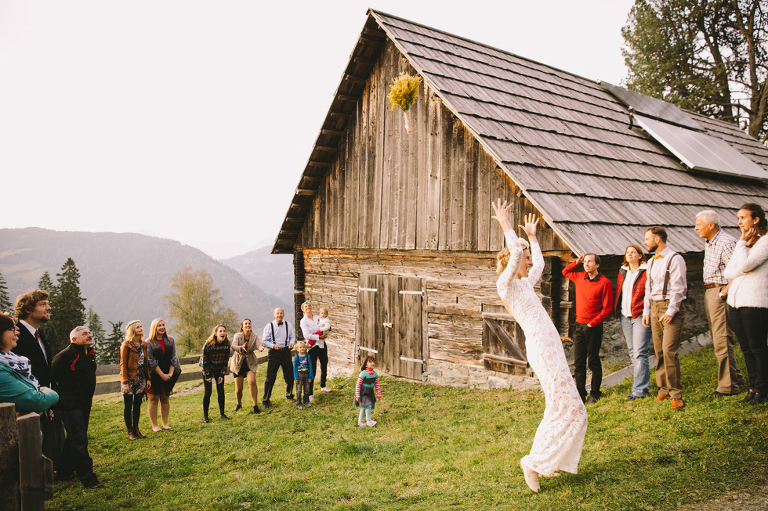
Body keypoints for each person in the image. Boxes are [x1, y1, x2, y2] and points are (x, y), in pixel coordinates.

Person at [492, 199, 587, 493]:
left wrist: (533, 238)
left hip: (551, 347)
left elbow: (541, 263)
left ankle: (545, 462)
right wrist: (505, 224)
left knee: (566, 407)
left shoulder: (524, 284)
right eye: (525, 260)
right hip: (541, 350)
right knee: (570, 408)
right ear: (512, 261)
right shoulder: (505, 285)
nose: (530, 262)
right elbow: (516, 253)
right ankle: (534, 463)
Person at [694, 210, 746, 397]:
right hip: (711, 291)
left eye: (698, 224)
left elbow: (739, 271)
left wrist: (724, 293)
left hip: (720, 291)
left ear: (711, 225)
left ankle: (728, 387)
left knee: (722, 339)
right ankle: (736, 377)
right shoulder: (710, 242)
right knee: (718, 338)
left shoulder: (726, 242)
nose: (696, 228)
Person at [724, 203, 768, 405]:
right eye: (738, 219)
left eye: (743, 218)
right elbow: (728, 272)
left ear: (756, 219)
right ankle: (752, 388)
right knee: (746, 348)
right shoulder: (749, 243)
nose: (739, 222)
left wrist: (741, 244)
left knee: (757, 348)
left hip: (755, 303)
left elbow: (745, 265)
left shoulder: (765, 242)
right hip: (736, 302)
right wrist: (743, 246)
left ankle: (762, 390)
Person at [51, 326, 102, 489]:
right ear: (74, 339)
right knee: (80, 440)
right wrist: (56, 400)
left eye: (89, 333)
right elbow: (51, 375)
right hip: (70, 404)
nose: (89, 335)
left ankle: (64, 473)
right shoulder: (66, 355)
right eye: (84, 334)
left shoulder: (90, 354)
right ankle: (88, 479)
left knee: (74, 437)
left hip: (85, 403)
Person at [642, 226, 687, 410]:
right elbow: (648, 288)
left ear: (657, 239)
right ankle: (664, 389)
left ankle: (676, 394)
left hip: (670, 306)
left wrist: (671, 310)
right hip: (654, 307)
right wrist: (646, 311)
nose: (645, 242)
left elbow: (679, 287)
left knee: (669, 351)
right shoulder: (651, 262)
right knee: (659, 350)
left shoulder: (675, 259)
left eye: (647, 239)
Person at [12, 290, 59, 460]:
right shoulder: (15, 336)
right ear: (27, 309)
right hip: (25, 408)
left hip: (42, 403)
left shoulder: (39, 334)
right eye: (43, 304)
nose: (49, 307)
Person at [562, 253, 614, 403]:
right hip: (579, 326)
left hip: (593, 327)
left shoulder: (604, 283)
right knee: (579, 362)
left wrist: (593, 323)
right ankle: (580, 393)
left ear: (597, 265)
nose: (586, 264)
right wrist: (576, 262)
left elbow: (608, 308)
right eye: (585, 262)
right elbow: (565, 271)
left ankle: (595, 393)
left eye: (590, 262)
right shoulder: (580, 277)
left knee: (593, 361)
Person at [0, 312, 59, 415]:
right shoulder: (2, 371)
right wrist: (49, 392)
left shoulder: (16, 363)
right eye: (10, 329)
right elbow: (37, 401)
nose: (17, 332)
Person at [615, 245, 652, 400]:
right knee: (632, 352)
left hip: (640, 315)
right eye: (627, 252)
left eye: (633, 252)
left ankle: (640, 391)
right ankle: (640, 386)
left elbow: (649, 293)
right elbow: (619, 292)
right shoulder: (623, 272)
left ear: (640, 255)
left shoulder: (646, 271)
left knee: (639, 352)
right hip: (625, 316)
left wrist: (647, 312)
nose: (629, 254)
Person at [146, 318, 181, 431]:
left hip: (168, 372)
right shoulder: (149, 343)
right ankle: (155, 425)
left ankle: (165, 423)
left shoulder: (170, 340)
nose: (162, 327)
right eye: (159, 326)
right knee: (154, 399)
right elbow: (151, 361)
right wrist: (162, 375)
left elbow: (174, 357)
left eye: (163, 325)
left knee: (165, 398)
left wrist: (170, 373)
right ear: (154, 328)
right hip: (154, 374)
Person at [119, 320, 150, 440]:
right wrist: (125, 382)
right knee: (128, 405)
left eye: (141, 326)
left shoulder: (143, 344)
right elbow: (123, 364)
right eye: (137, 327)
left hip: (141, 378)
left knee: (138, 404)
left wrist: (148, 378)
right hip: (130, 378)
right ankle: (130, 431)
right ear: (132, 330)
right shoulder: (126, 345)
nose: (140, 328)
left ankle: (137, 429)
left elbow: (146, 362)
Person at [261, 308, 295, 408]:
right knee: (270, 377)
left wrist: (291, 343)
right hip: (274, 353)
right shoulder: (269, 326)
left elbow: (292, 337)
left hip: (286, 351)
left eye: (281, 313)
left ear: (283, 314)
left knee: (289, 375)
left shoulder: (288, 325)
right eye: (277, 313)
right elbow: (264, 341)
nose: (279, 315)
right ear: (274, 315)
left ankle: (289, 395)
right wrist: (273, 346)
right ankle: (265, 401)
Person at [299, 302, 330, 402]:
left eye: (309, 306)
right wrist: (318, 337)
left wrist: (327, 329)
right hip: (312, 347)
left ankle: (323, 385)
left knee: (324, 365)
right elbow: (306, 335)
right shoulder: (303, 321)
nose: (308, 307)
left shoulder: (318, 317)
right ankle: (310, 393)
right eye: (306, 307)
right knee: (312, 369)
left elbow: (325, 325)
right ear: (303, 310)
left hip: (322, 344)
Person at [201, 324, 231, 422]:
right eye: (220, 331)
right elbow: (204, 361)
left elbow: (226, 361)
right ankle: (205, 416)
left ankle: (222, 414)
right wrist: (207, 375)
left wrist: (222, 374)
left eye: (224, 331)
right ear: (216, 333)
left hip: (219, 368)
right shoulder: (209, 344)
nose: (223, 333)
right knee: (208, 391)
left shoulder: (227, 344)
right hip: (208, 368)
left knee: (220, 390)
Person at [230, 318, 261, 414]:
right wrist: (241, 347)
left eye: (249, 323)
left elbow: (258, 344)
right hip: (238, 362)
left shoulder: (254, 336)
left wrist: (260, 347)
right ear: (242, 327)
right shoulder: (237, 336)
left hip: (250, 362)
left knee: (252, 381)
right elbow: (233, 346)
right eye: (246, 324)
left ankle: (255, 406)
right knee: (239, 388)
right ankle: (239, 404)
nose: (248, 325)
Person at [354, 356, 381, 427]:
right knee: (368, 405)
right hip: (362, 393)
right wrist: (357, 395)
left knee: (364, 407)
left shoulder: (375, 374)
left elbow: (377, 384)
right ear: (366, 365)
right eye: (370, 362)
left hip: (370, 392)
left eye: (373, 361)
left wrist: (379, 394)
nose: (373, 363)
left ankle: (360, 421)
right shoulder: (363, 374)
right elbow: (358, 385)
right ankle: (368, 420)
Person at [293, 341, 314, 409]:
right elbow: (295, 368)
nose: (302, 348)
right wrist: (296, 378)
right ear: (297, 349)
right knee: (299, 390)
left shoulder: (308, 356)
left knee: (307, 389)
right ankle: (298, 403)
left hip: (306, 374)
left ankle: (306, 401)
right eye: (300, 347)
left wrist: (310, 377)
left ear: (305, 348)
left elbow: (310, 367)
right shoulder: (296, 357)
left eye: (303, 347)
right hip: (299, 374)